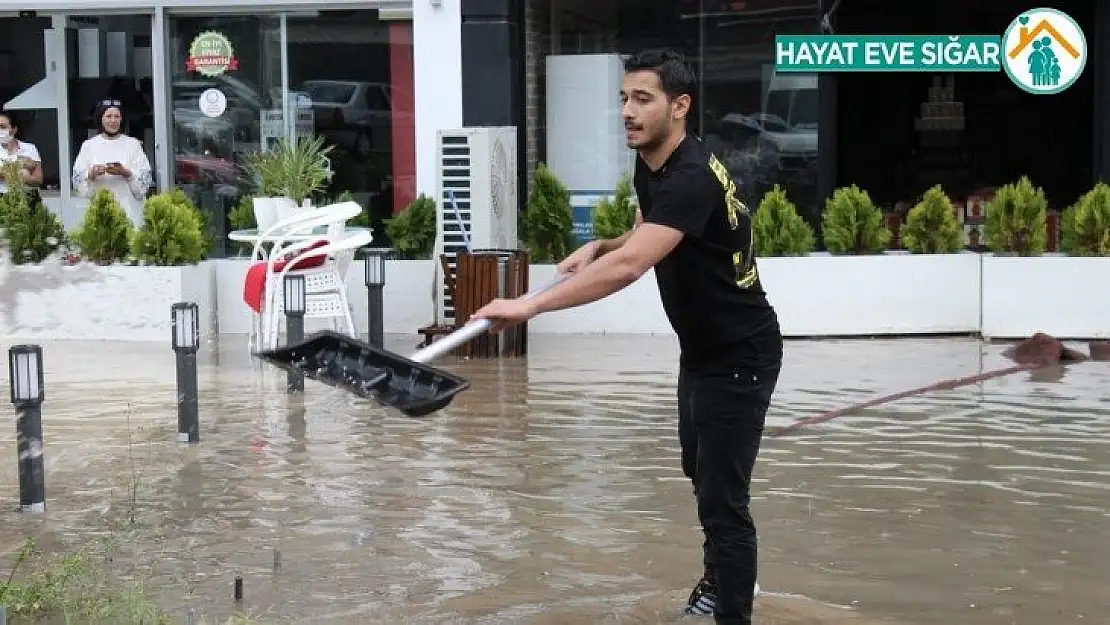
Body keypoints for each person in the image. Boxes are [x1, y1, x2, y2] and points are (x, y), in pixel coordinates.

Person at [471, 49, 783, 624]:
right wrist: (600, 245)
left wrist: (529, 305)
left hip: (742, 354)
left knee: (723, 501)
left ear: (680, 106)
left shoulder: (690, 176)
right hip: (704, 351)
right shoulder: (656, 163)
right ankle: (721, 580)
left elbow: (632, 268)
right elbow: (644, 237)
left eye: (642, 99)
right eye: (623, 99)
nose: (627, 112)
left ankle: (731, 609)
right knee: (700, 470)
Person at [71, 99, 153, 226]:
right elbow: (78, 180)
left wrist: (126, 173)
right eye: (109, 116)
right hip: (100, 213)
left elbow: (145, 180)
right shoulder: (89, 145)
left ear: (122, 119)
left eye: (117, 116)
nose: (113, 121)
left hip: (129, 213)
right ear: (101, 119)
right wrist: (91, 174)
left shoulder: (133, 144)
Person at [0, 111, 44, 194]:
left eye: (2, 127)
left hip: (25, 198)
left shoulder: (30, 148)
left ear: (13, 130)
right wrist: (21, 167)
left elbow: (38, 179)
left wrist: (5, 172)